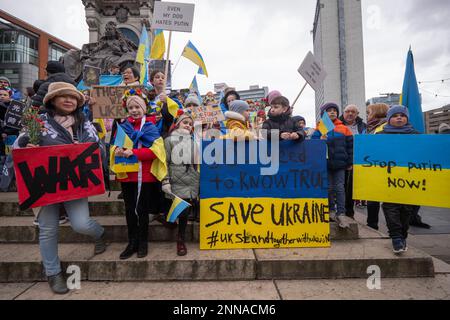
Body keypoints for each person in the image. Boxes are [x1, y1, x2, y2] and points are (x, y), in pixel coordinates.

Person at [15, 82, 107, 294]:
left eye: (73, 97)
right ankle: (53, 273)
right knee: (47, 230)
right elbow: (19, 146)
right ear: (51, 100)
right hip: (44, 185)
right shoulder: (37, 123)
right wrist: (27, 148)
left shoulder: (84, 124)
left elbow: (99, 150)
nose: (68, 100)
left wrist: (85, 149)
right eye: (63, 96)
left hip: (75, 183)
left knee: (81, 223)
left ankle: (99, 233)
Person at [111, 89, 162, 260]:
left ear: (144, 108)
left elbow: (156, 152)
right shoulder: (123, 126)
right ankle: (131, 242)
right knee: (129, 209)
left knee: (142, 209)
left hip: (145, 176)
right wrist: (117, 150)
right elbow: (114, 147)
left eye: (137, 107)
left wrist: (133, 153)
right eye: (131, 107)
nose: (134, 110)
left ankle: (143, 242)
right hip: (128, 174)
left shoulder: (150, 127)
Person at [376, 105, 420, 253]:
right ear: (389, 119)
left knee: (407, 209)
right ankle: (395, 237)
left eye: (402, 115)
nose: (399, 117)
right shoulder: (380, 136)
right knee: (390, 207)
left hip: (409, 180)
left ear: (407, 118)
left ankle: (403, 236)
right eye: (395, 116)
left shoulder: (416, 135)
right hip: (388, 178)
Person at [162, 111, 199, 256]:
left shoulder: (194, 141)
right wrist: (165, 180)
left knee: (184, 210)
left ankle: (177, 233)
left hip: (191, 180)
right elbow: (164, 161)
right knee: (183, 211)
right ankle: (180, 239)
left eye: (190, 124)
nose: (188, 125)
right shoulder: (169, 140)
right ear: (177, 124)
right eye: (185, 122)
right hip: (176, 179)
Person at [312, 103, 353, 229]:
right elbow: (313, 145)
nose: (332, 112)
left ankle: (341, 213)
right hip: (325, 164)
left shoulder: (344, 128)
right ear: (323, 114)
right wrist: (319, 139)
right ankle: (330, 211)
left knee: (340, 188)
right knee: (328, 187)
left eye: (334, 110)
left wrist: (350, 162)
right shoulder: (319, 128)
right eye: (329, 111)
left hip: (340, 164)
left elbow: (350, 147)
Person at [364, 103, 390, 229]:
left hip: (382, 168)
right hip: (374, 168)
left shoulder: (384, 127)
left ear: (376, 112)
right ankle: (372, 224)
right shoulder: (373, 127)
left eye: (369, 113)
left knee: (379, 200)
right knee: (372, 198)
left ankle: (374, 225)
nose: (367, 116)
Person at [339, 105, 367, 218]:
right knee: (340, 188)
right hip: (340, 161)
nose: (350, 114)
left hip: (358, 161)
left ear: (357, 113)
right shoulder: (335, 124)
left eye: (353, 112)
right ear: (343, 113)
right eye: (347, 111)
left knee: (351, 189)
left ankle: (349, 213)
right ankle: (339, 212)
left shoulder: (363, 126)